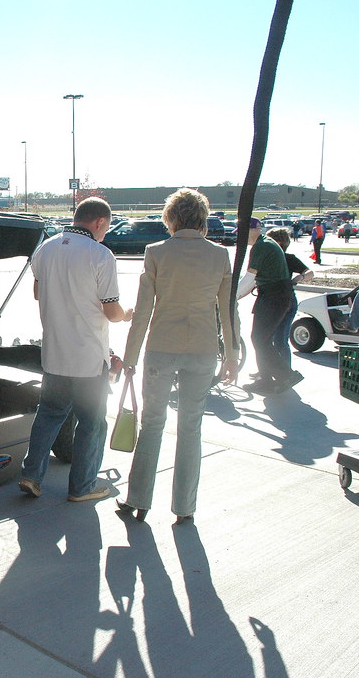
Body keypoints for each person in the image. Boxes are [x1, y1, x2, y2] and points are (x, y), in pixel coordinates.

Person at [116, 188, 239, 525]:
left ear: (170, 218)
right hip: (202, 349)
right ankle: (185, 507)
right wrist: (231, 354)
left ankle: (138, 499)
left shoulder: (156, 252)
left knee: (152, 424)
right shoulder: (219, 255)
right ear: (202, 219)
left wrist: (130, 357)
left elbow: (143, 311)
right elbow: (228, 311)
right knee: (190, 428)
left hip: (161, 348)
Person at [18, 197, 133, 502]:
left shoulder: (45, 248)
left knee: (48, 415)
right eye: (105, 228)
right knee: (91, 423)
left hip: (54, 353)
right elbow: (111, 311)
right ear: (99, 222)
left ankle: (31, 474)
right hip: (88, 357)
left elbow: (38, 293)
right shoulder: (100, 254)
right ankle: (82, 487)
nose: (104, 234)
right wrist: (127, 315)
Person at [244, 219, 303, 395]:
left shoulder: (261, 246)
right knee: (261, 339)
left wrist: (232, 296)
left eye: (242, 232)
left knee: (260, 339)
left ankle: (286, 375)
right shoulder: (265, 243)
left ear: (253, 230)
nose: (240, 237)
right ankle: (266, 379)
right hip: (274, 296)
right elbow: (253, 280)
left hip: (273, 297)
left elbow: (249, 278)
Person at [265, 227, 313, 374]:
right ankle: (267, 369)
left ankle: (286, 372)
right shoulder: (266, 258)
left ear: (278, 243)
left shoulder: (288, 258)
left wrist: (299, 278)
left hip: (286, 302)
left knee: (280, 339)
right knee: (265, 338)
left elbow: (309, 272)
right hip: (269, 301)